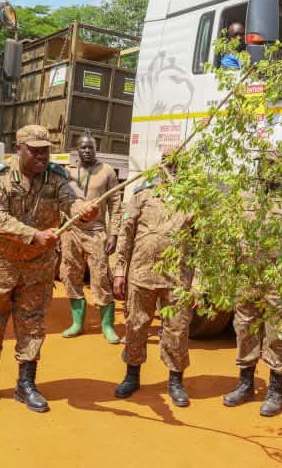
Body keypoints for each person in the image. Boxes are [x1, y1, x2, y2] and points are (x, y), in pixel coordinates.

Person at [0, 124, 99, 413]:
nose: (42, 156)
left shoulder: (56, 178)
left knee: (32, 324)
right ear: (20, 149)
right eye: (36, 150)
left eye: (46, 150)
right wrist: (34, 235)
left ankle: (25, 384)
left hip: (36, 267)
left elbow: (72, 200)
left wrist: (83, 210)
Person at [222, 152, 282, 417]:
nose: (266, 168)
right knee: (245, 328)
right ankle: (245, 384)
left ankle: (275, 390)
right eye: (262, 163)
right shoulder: (244, 193)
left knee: (278, 333)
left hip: (281, 280)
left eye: (272, 164)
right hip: (248, 277)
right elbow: (231, 233)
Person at [112, 149, 194, 407]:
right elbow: (126, 233)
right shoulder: (143, 195)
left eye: (177, 166)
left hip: (177, 278)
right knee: (136, 326)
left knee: (177, 330)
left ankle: (175, 381)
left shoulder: (192, 201)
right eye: (169, 165)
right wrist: (119, 270)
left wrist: (199, 283)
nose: (172, 171)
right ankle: (132, 375)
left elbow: (203, 244)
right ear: (161, 167)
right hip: (141, 273)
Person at [60, 132, 123, 343]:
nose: (87, 151)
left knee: (101, 277)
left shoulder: (107, 172)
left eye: (91, 148)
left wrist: (113, 233)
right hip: (71, 231)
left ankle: (108, 326)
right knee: (70, 275)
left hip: (96, 232)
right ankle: (77, 323)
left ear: (96, 149)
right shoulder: (68, 173)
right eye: (83, 148)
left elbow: (115, 204)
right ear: (77, 150)